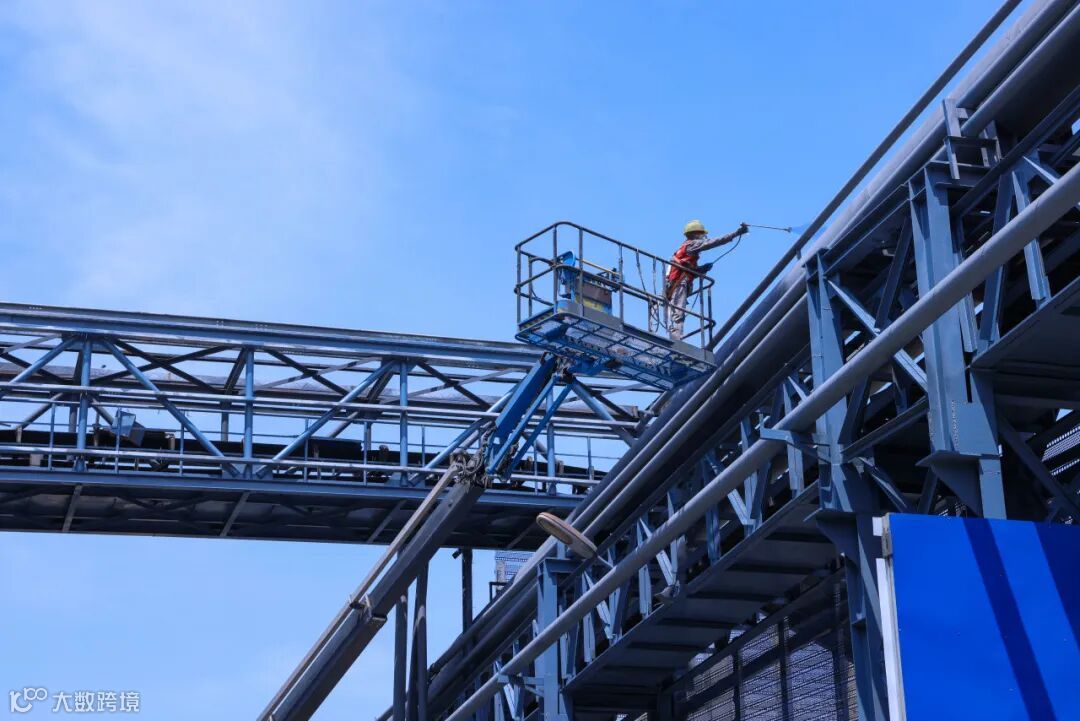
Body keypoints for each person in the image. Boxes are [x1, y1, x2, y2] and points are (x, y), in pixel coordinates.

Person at [664, 219, 749, 340]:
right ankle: (676, 339)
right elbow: (713, 242)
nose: (703, 237)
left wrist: (701, 269)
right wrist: (736, 233)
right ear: (695, 234)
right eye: (701, 234)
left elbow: (687, 269)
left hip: (677, 284)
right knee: (678, 312)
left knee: (676, 311)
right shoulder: (692, 245)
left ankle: (675, 336)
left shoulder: (685, 249)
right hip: (679, 284)